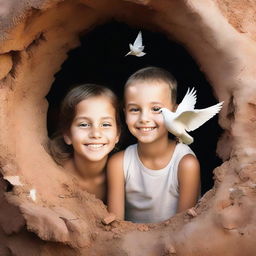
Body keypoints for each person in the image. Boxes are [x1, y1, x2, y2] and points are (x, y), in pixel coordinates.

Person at [107, 67, 200, 223]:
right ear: (125, 113)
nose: (144, 118)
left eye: (156, 109)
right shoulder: (118, 163)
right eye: (135, 109)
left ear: (175, 112)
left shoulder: (185, 164)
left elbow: (183, 227)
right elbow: (115, 226)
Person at [49, 83, 120, 203]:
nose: (96, 134)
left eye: (106, 124)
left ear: (118, 134)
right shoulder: (55, 173)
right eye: (84, 124)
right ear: (67, 134)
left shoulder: (122, 175)